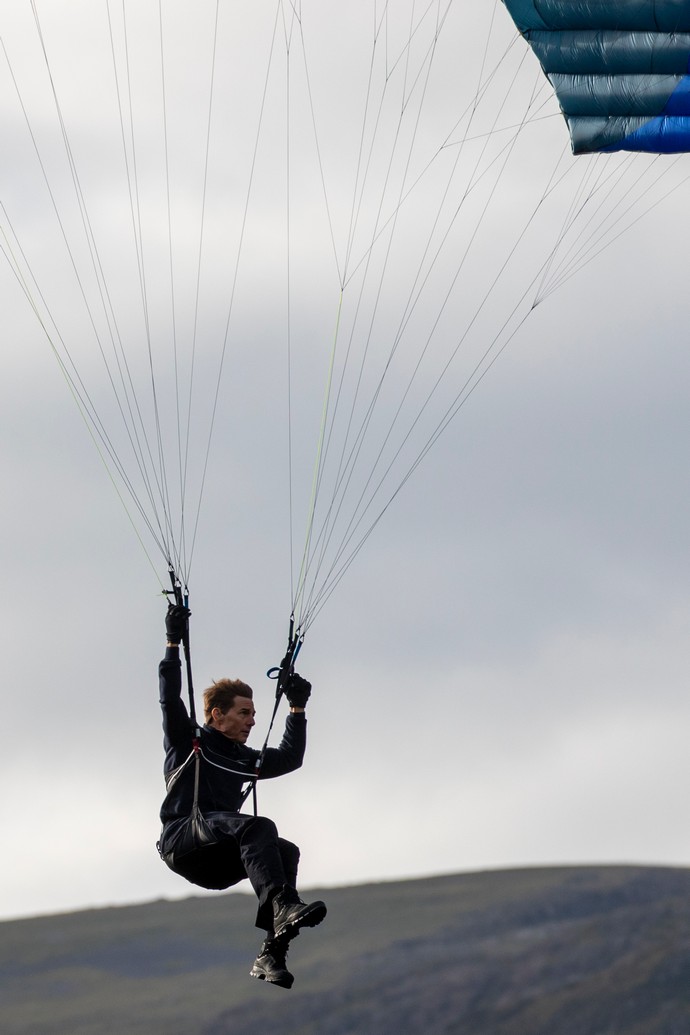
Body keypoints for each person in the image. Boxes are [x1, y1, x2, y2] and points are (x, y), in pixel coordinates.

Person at [157, 603, 326, 989]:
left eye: (254, 714)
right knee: (258, 827)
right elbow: (169, 699)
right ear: (217, 715)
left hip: (218, 854)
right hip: (185, 839)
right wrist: (172, 643)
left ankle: (272, 953)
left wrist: (297, 709)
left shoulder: (243, 758)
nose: (252, 720)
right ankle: (282, 906)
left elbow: (288, 759)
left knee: (286, 851)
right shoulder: (189, 741)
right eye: (245, 713)